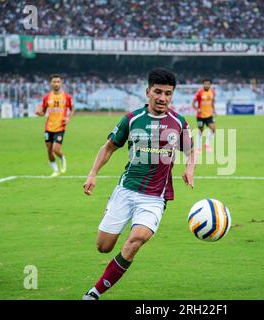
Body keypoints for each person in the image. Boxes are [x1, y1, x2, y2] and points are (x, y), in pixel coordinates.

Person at [82, 68, 195, 300]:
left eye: (168, 93)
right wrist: (93, 173)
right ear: (147, 92)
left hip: (154, 197)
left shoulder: (178, 122)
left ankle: (94, 293)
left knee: (137, 239)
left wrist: (189, 168)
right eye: (158, 92)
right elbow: (108, 148)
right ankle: (115, 217)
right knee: (103, 247)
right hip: (126, 190)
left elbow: (191, 149)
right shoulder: (131, 119)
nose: (163, 98)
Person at [35, 74, 74, 177]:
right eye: (54, 82)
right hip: (49, 128)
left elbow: (72, 108)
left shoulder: (67, 97)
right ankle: (55, 170)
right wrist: (39, 113)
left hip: (60, 127)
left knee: (55, 150)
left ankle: (62, 158)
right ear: (51, 83)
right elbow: (43, 112)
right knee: (49, 150)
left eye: (58, 82)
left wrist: (69, 118)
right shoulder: (47, 97)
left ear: (61, 83)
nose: (56, 84)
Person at [192, 79, 216, 153]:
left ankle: (207, 144)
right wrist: (197, 109)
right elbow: (193, 103)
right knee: (201, 131)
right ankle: (198, 147)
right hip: (200, 116)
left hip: (209, 115)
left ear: (210, 84)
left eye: (208, 84)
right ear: (203, 84)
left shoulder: (212, 92)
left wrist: (214, 110)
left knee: (213, 128)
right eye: (205, 84)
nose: (206, 85)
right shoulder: (199, 92)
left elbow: (212, 102)